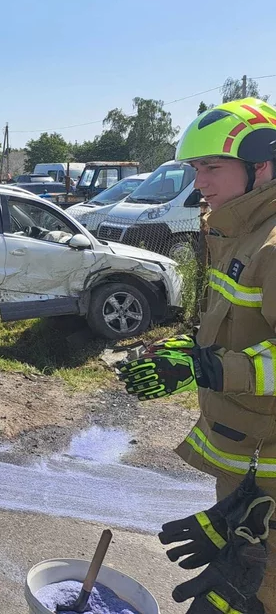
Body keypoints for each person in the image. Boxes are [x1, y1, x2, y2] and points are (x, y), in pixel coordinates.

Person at [117, 97, 276, 612]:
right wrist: (186, 351)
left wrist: (208, 368)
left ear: (263, 167)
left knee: (254, 592)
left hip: (268, 464)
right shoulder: (234, 232)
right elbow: (234, 328)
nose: (198, 181)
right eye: (194, 167)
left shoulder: (272, 246)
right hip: (250, 466)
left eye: (212, 166)